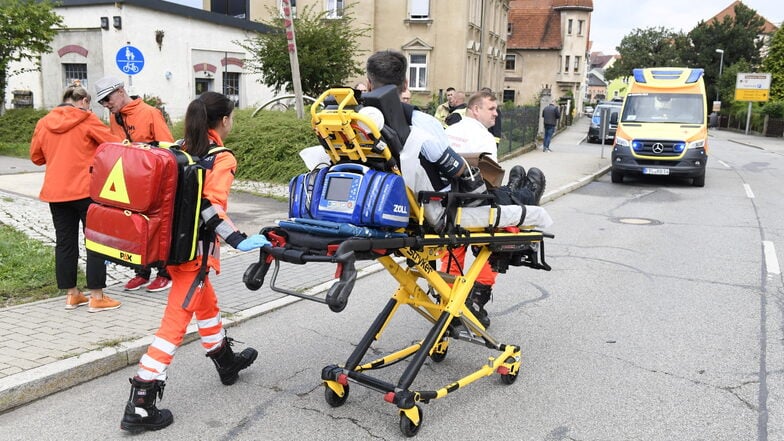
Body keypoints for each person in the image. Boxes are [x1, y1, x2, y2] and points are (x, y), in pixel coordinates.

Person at [120, 91, 270, 433]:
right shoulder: (222, 159)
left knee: (207, 305)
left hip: (169, 250)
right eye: (232, 117)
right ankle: (141, 401)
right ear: (224, 121)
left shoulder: (176, 149)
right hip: (194, 255)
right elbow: (211, 207)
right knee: (173, 326)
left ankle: (225, 361)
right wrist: (240, 240)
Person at [443, 90, 546, 327]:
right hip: (473, 205)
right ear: (475, 109)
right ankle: (477, 298)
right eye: (491, 109)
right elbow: (489, 180)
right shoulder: (483, 138)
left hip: (445, 205)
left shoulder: (449, 131)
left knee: (453, 250)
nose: (496, 114)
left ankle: (448, 296)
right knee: (503, 234)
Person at [30, 82, 124, 312]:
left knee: (64, 243)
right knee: (95, 240)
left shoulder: (44, 123)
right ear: (83, 102)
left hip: (56, 192)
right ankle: (97, 296)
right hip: (86, 191)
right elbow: (114, 145)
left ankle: (72, 294)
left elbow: (36, 157)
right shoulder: (86, 119)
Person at [95, 76, 175, 292]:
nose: (106, 104)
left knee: (157, 225)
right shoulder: (115, 117)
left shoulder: (149, 113)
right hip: (128, 179)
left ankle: (165, 272)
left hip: (154, 179)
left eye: (107, 99)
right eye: (102, 102)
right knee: (133, 226)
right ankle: (141, 271)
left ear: (120, 91)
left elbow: (169, 149)